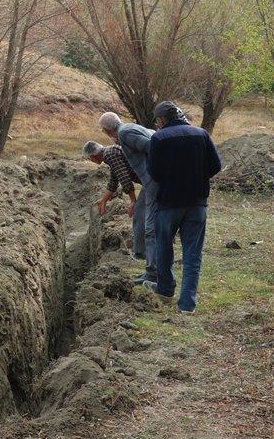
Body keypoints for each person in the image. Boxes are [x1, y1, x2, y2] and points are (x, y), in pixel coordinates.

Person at [145, 101, 223, 314]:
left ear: (161, 121)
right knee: (192, 254)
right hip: (197, 203)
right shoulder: (201, 134)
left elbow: (154, 173)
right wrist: (196, 177)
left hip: (168, 204)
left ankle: (165, 291)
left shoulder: (158, 138)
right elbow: (216, 166)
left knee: (164, 248)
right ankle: (187, 305)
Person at [99, 111, 158, 286]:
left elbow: (153, 146)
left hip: (155, 181)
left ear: (106, 131)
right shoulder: (130, 129)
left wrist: (158, 173)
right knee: (143, 219)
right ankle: (150, 268)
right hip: (152, 182)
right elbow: (114, 179)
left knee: (149, 226)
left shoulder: (125, 133)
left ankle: (152, 271)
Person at [83, 140, 138, 218]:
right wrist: (104, 200)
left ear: (92, 157)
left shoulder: (110, 155)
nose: (91, 160)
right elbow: (113, 181)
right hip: (151, 178)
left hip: (151, 179)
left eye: (89, 158)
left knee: (140, 212)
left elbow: (124, 178)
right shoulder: (110, 152)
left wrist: (133, 200)